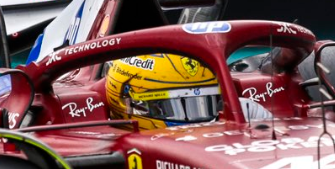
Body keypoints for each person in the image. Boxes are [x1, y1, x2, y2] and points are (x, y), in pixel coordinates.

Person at [105, 53, 269, 129]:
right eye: (175, 107)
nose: (198, 123)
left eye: (205, 104)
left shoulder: (245, 111)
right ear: (130, 103)